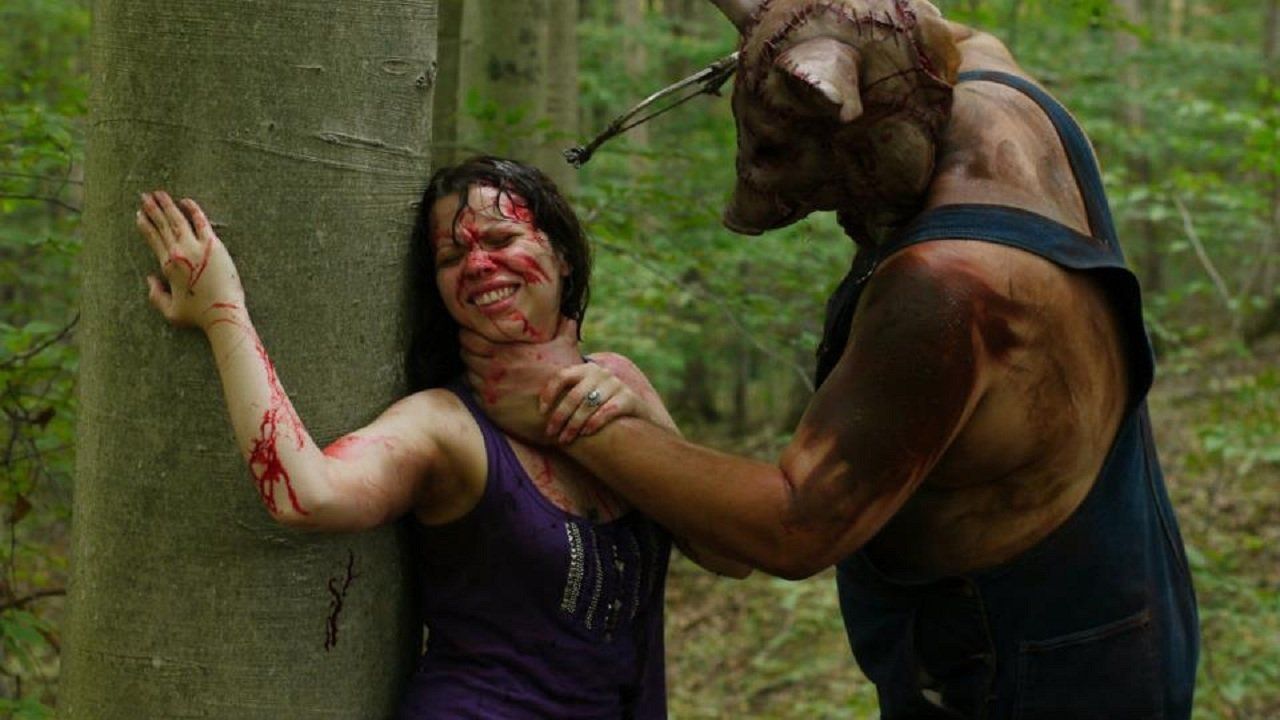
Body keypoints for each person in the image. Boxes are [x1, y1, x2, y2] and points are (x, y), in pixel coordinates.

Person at [457, 2, 1200, 718]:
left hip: (1028, 675)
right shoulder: (996, 83)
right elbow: (927, 26)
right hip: (1125, 613)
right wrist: (801, 23)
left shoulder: (945, 288)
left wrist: (571, 415)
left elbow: (795, 524)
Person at [135, 155, 747, 719]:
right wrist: (224, 311)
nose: (478, 264)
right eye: (452, 257)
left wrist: (635, 420)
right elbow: (307, 494)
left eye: (501, 239)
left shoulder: (620, 382)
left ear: (562, 255)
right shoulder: (444, 426)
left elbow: (731, 552)